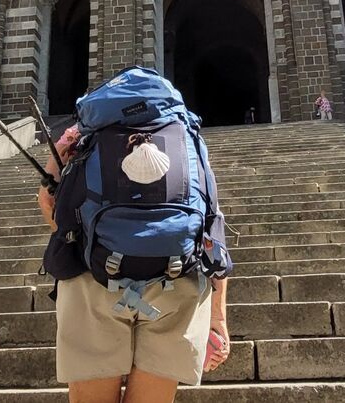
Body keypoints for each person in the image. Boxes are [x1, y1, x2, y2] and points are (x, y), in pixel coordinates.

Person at [38, 124, 230, 403]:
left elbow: (49, 200)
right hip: (174, 282)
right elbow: (212, 224)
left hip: (95, 280)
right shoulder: (183, 131)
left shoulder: (82, 130)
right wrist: (218, 317)